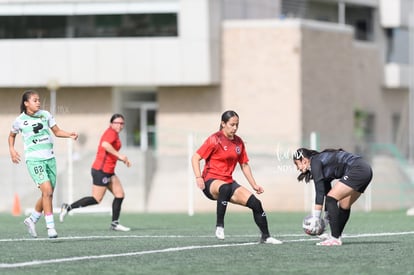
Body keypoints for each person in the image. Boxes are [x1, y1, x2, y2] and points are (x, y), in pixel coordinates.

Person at [191, 110, 282, 244]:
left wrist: (254, 185)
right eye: (232, 124)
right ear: (223, 124)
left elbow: (244, 165)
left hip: (228, 182)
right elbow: (195, 157)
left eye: (237, 125)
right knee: (225, 188)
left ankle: (266, 236)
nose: (235, 128)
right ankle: (219, 226)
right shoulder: (214, 139)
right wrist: (198, 177)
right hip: (210, 181)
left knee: (256, 204)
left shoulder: (239, 142)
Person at [8, 90, 78, 238]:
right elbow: (12, 135)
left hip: (50, 159)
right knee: (47, 191)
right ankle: (50, 227)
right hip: (34, 160)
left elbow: (57, 132)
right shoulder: (20, 120)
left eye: (39, 100)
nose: (38, 102)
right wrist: (12, 150)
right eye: (35, 100)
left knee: (48, 193)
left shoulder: (45, 115)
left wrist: (69, 135)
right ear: (26, 103)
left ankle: (32, 219)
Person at [59, 113, 132, 232]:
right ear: (111, 124)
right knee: (96, 199)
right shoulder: (111, 133)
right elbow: (105, 145)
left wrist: (123, 159)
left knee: (119, 194)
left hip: (109, 171)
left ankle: (115, 224)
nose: (119, 125)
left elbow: (109, 152)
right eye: (117, 123)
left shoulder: (115, 134)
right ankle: (68, 208)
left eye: (122, 123)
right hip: (101, 170)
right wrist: (120, 155)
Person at [293, 147, 373, 246]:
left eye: (297, 164)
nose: (297, 168)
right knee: (344, 204)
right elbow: (326, 191)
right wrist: (326, 219)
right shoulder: (318, 162)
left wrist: (316, 217)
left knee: (331, 199)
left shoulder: (315, 162)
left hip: (358, 169)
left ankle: (335, 238)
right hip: (365, 170)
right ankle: (336, 235)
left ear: (304, 161)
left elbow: (320, 191)